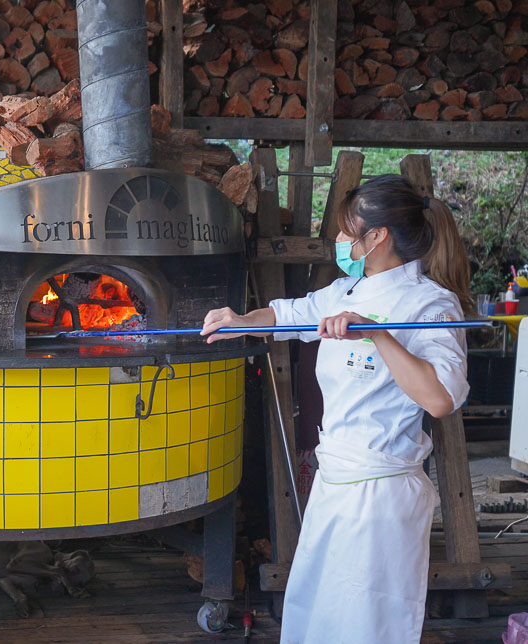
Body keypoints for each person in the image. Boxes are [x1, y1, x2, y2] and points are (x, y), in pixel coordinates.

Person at [201, 175, 473, 644]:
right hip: (333, 488)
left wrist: (378, 333)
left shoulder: (431, 305)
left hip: (381, 497)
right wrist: (241, 320)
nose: (340, 242)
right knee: (316, 617)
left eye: (348, 231)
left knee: (366, 626)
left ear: (378, 237)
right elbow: (291, 314)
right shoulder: (347, 291)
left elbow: (440, 397)